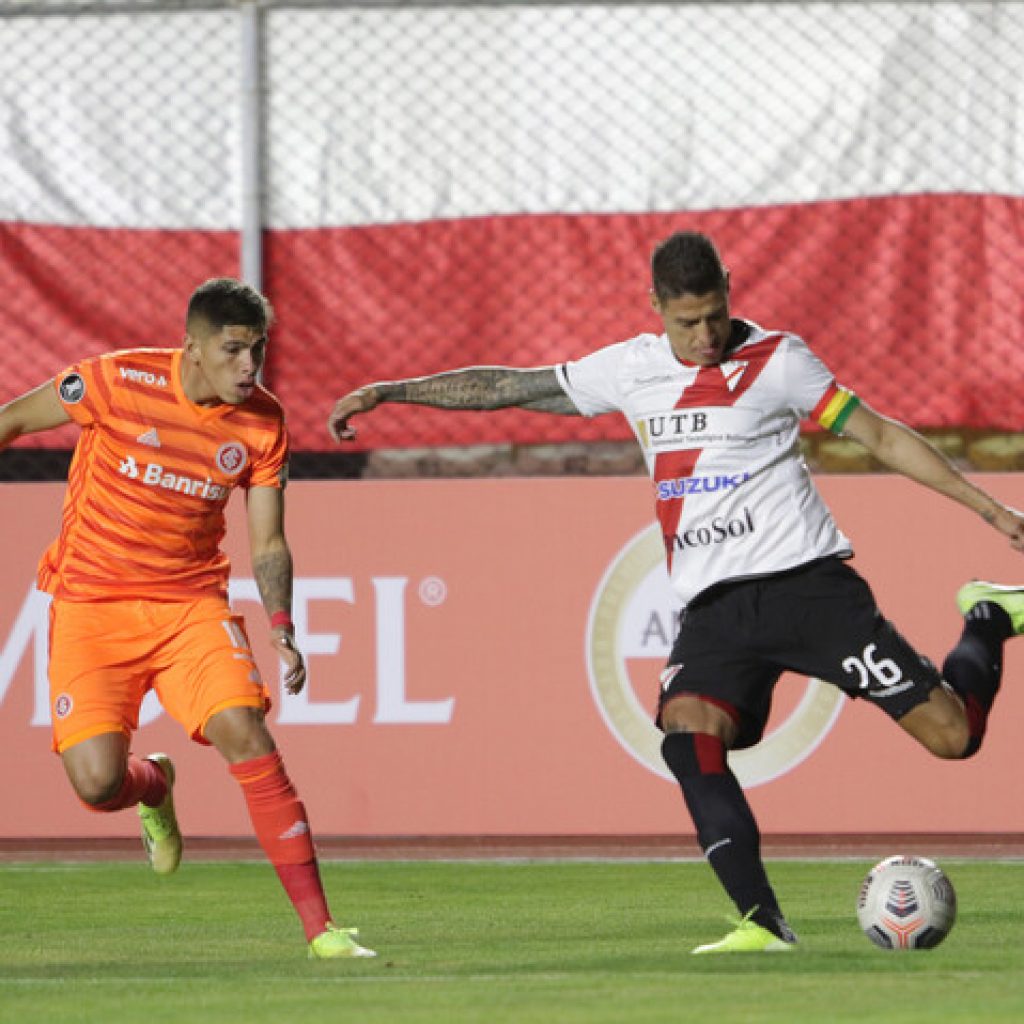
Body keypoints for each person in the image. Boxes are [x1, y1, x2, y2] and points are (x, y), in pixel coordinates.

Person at [328, 230, 1024, 954]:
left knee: (954, 738)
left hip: (809, 587)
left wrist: (992, 510)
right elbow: (513, 385)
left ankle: (987, 616)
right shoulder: (631, 369)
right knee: (687, 737)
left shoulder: (779, 361)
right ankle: (763, 923)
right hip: (716, 612)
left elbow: (881, 436)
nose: (704, 335)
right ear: (655, 306)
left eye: (715, 315)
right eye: (686, 321)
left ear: (728, 290)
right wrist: (394, 391)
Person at [1, 277, 374, 959]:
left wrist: (283, 626)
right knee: (97, 784)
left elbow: (267, 540)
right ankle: (156, 784)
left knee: (245, 730)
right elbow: (13, 421)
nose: (248, 367)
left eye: (257, 350)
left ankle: (322, 931)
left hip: (188, 608)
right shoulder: (116, 381)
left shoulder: (263, 421)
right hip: (91, 607)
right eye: (233, 350)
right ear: (192, 347)